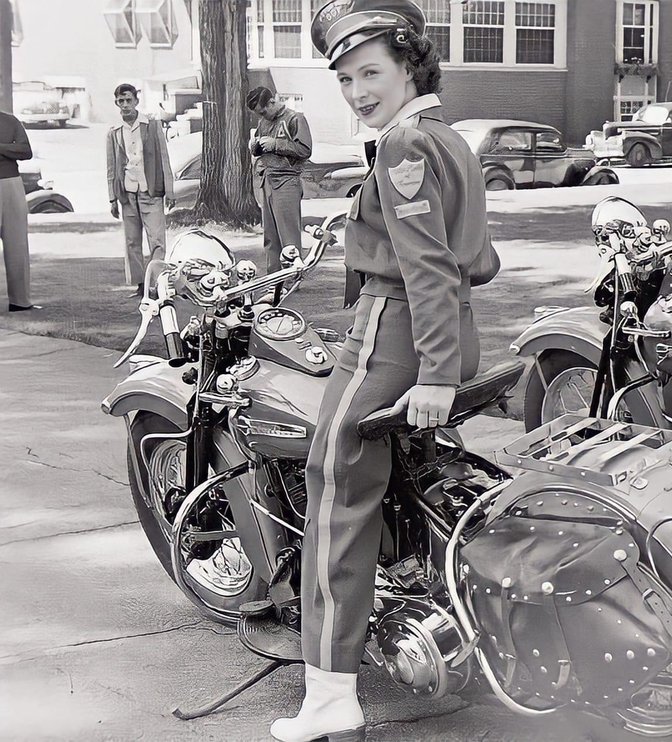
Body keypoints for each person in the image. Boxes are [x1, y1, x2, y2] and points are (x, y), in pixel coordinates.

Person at [271, 2, 499, 741]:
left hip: (395, 334)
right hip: (441, 330)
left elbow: (425, 264)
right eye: (344, 78)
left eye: (371, 71)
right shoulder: (444, 136)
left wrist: (430, 371)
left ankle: (330, 691)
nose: (357, 90)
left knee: (333, 485)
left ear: (410, 66)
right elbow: (478, 260)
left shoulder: (402, 143)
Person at [106, 84, 175, 298]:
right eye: (120, 101)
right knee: (131, 241)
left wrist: (170, 191)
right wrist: (112, 198)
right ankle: (139, 285)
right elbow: (110, 166)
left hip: (151, 190)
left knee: (156, 239)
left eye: (128, 100)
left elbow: (164, 158)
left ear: (136, 101)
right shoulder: (113, 131)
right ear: (116, 103)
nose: (125, 105)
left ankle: (156, 284)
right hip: (127, 193)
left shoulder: (152, 125)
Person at [246, 86, 312, 274]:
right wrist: (255, 146)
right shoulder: (263, 123)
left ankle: (292, 276)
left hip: (287, 182)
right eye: (259, 113)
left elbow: (305, 150)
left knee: (288, 237)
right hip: (267, 180)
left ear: (272, 102)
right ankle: (273, 277)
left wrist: (276, 144)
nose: (263, 116)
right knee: (271, 237)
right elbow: (260, 148)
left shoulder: (295, 118)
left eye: (264, 111)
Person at [0, 109, 36, 312]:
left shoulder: (10, 121)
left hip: (11, 184)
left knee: (17, 243)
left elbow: (25, 151)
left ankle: (20, 300)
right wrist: (8, 150)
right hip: (9, 178)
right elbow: (17, 150)